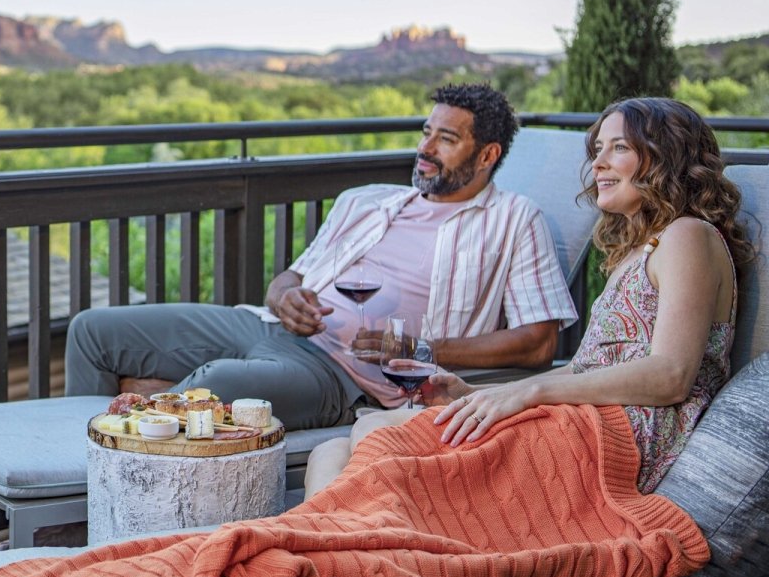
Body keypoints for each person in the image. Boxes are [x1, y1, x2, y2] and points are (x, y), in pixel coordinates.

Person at [306, 96, 754, 495]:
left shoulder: (688, 236)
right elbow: (583, 369)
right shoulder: (639, 251)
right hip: (584, 417)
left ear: (666, 157)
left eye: (619, 147)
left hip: (617, 438)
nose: (597, 163)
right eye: (598, 149)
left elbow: (670, 375)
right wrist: (479, 393)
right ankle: (327, 539)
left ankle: (335, 544)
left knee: (377, 435)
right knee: (333, 449)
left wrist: (532, 392)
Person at [65, 83, 579, 430]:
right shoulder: (368, 201)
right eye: (426, 132)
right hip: (271, 327)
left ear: (487, 155)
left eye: (446, 139)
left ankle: (154, 402)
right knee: (92, 331)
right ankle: (81, 473)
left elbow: (539, 343)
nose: (426, 147)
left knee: (219, 383)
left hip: (340, 376)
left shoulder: (515, 219)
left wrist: (423, 348)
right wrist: (284, 295)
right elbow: (292, 276)